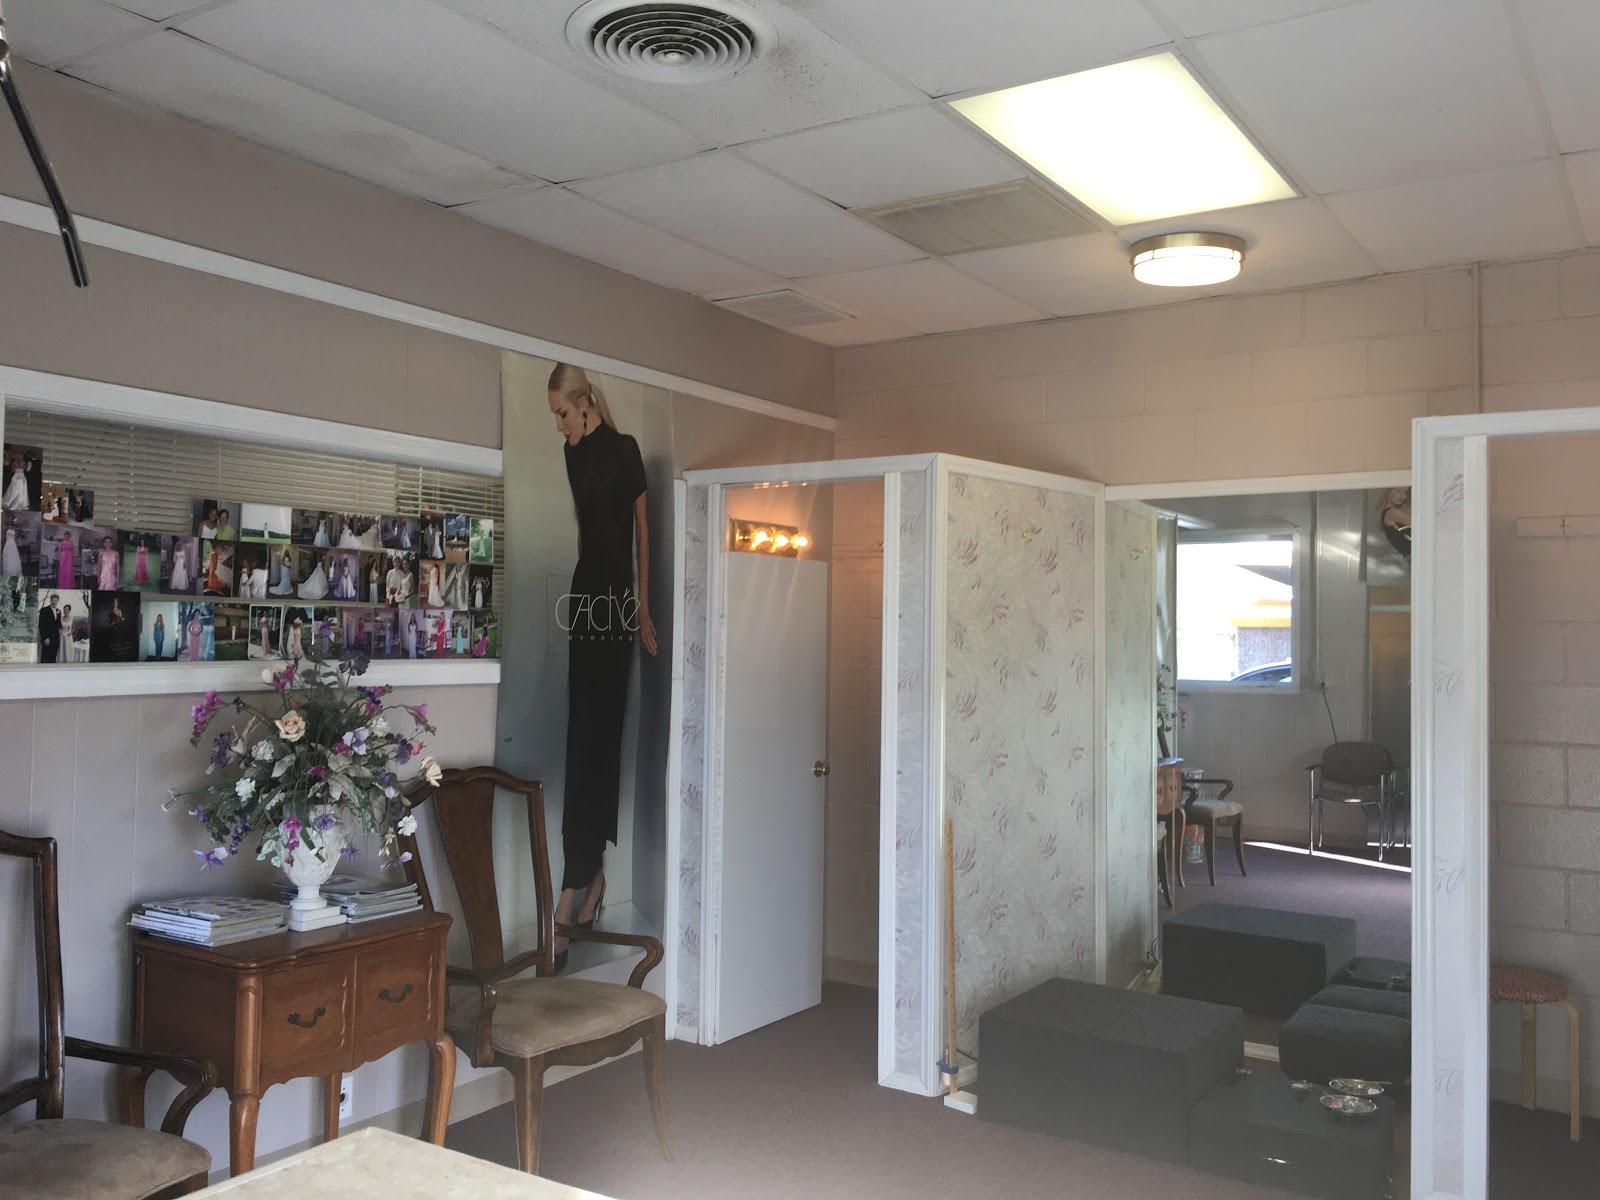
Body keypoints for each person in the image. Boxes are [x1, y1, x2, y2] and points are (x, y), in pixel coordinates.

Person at [547, 363, 657, 967]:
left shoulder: (625, 450)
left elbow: (641, 534)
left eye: (563, 413)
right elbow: (585, 536)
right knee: (579, 735)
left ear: (585, 402)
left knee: (601, 737)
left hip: (616, 602)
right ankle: (578, 882)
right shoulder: (571, 454)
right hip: (587, 598)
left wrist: (642, 610)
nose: (559, 424)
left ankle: (580, 886)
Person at [38, 592, 61, 663]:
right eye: (53, 600)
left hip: (55, 639)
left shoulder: (58, 611)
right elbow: (41, 625)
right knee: (45, 657)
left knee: (53, 658)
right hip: (47, 638)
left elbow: (58, 623)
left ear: (58, 601)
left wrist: (60, 629)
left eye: (56, 600)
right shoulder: (44, 610)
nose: (54, 602)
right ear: (50, 600)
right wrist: (45, 638)